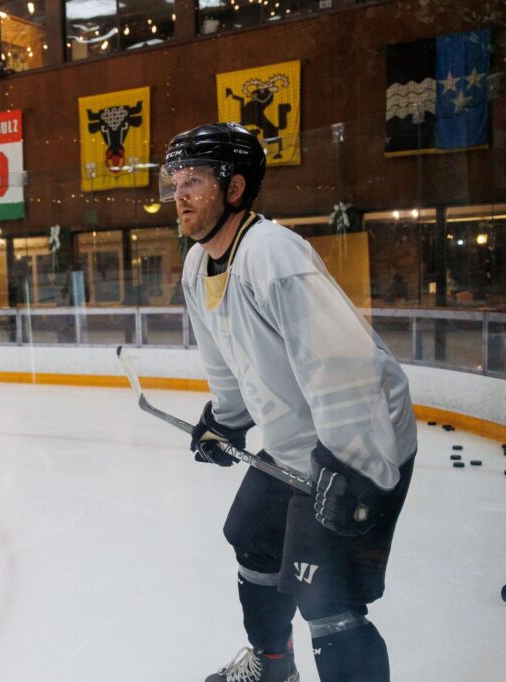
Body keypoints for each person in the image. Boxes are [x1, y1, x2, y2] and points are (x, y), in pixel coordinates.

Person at [159, 123, 417, 682]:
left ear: (234, 188)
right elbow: (225, 364)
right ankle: (273, 667)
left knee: (329, 601)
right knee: (252, 539)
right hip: (297, 444)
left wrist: (353, 467)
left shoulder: (272, 252)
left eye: (194, 181)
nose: (178, 195)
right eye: (174, 181)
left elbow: (344, 365)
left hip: (363, 441)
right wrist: (225, 424)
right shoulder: (196, 265)